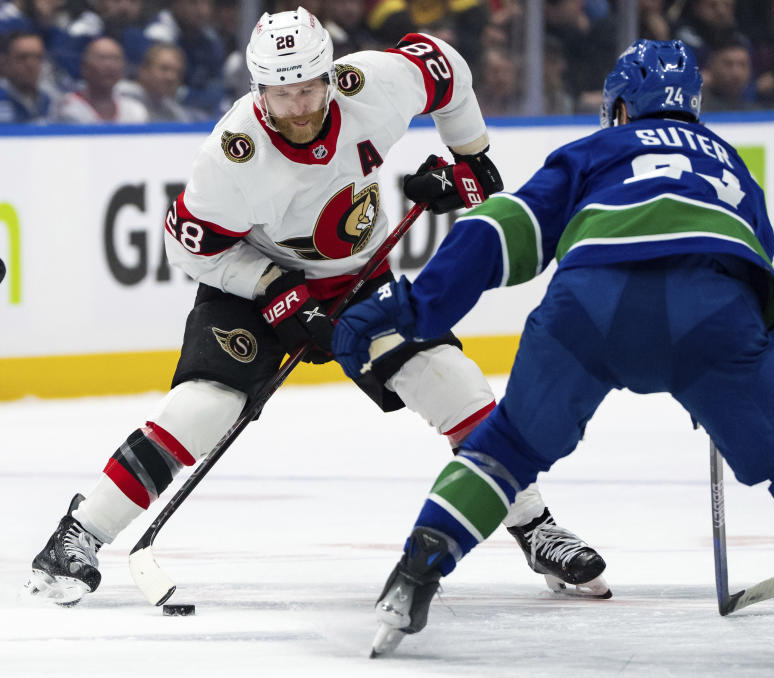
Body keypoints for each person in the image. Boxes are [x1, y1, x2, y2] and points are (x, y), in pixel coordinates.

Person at [332, 39, 774, 668]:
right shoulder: (731, 165)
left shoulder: (594, 151)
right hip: (714, 315)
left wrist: (412, 308)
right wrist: (719, 381)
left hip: (589, 304)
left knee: (507, 449)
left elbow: (498, 230)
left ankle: (415, 575)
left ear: (621, 108)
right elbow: (757, 269)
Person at [25, 5, 608, 608]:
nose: (299, 106)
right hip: (251, 286)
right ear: (259, 91)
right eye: (282, 94)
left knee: (452, 383)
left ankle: (537, 528)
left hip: (357, 279)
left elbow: (448, 70)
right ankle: (78, 534)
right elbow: (188, 248)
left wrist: (469, 154)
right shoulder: (231, 158)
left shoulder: (373, 85)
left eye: (309, 87)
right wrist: (273, 288)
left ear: (331, 75)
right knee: (205, 406)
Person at [52, 35, 148, 123]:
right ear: (85, 67)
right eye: (102, 58)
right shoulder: (67, 108)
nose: (110, 66)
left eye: (115, 58)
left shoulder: (135, 111)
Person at [116, 42, 195, 122]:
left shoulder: (174, 112)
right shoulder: (118, 95)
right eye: (164, 69)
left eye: (178, 72)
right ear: (144, 70)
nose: (171, 77)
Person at [0, 30, 58, 123]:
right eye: (22, 57)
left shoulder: (52, 101)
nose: (31, 64)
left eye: (38, 57)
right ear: (6, 61)